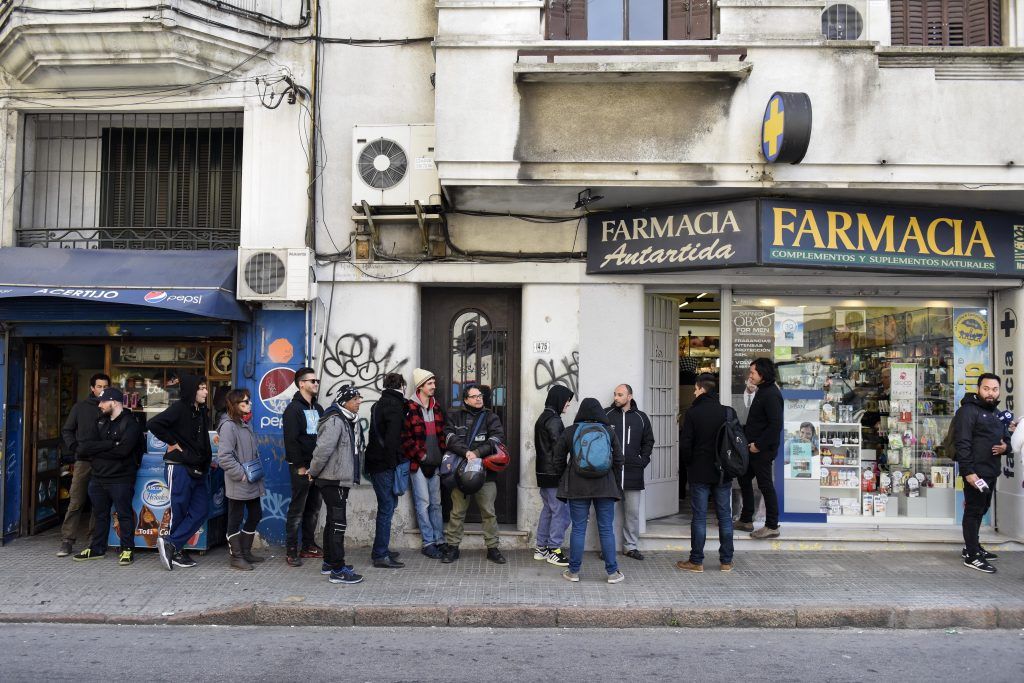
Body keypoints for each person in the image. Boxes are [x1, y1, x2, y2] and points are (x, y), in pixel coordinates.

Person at [553, 397, 625, 584]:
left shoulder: (570, 431)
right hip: (605, 487)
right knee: (606, 529)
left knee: (578, 528)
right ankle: (612, 573)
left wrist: (565, 475)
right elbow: (619, 460)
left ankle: (574, 572)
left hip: (578, 487)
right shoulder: (608, 432)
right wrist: (615, 482)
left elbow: (557, 458)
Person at [149, 374, 213, 571]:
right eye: (201, 388)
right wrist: (173, 443)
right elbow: (153, 424)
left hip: (199, 468)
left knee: (202, 509)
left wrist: (208, 461)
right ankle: (176, 551)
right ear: (192, 389)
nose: (205, 392)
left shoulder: (200, 411)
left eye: (205, 388)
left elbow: (200, 441)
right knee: (180, 510)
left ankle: (171, 543)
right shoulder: (179, 408)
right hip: (179, 467)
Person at [72, 388, 142, 566]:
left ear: (115, 402)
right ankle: (97, 548)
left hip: (121, 478)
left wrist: (99, 451)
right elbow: (85, 447)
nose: (100, 405)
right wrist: (111, 444)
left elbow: (123, 451)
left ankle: (127, 549)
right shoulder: (100, 421)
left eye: (103, 401)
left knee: (124, 514)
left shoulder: (130, 423)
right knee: (100, 514)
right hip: (98, 478)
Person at [676, 374, 734, 572]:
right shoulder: (727, 412)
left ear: (702, 389)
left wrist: (689, 465)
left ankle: (696, 561)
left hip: (699, 472)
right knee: (725, 516)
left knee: (699, 517)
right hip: (723, 472)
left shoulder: (693, 413)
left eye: (695, 388)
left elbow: (685, 445)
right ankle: (726, 561)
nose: (693, 392)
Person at [443, 384, 507, 564]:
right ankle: (453, 548)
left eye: (480, 396)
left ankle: (493, 549)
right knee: (457, 512)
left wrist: (477, 453)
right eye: (474, 396)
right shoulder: (454, 416)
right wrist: (466, 452)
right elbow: (449, 437)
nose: (479, 399)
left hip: (486, 474)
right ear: (465, 400)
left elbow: (496, 439)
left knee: (489, 512)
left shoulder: (491, 417)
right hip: (459, 473)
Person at [309, 384, 365, 585]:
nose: (359, 401)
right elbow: (322, 450)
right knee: (338, 523)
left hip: (338, 479)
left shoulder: (346, 420)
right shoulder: (335, 421)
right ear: (345, 401)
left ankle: (329, 563)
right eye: (356, 398)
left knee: (334, 521)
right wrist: (312, 471)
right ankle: (338, 570)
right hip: (333, 480)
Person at [954, 373, 1009, 573]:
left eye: (994, 389)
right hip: (975, 473)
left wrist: (1006, 448)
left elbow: (1006, 439)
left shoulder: (996, 412)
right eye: (986, 388)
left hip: (991, 471)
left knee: (982, 509)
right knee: (973, 511)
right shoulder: (968, 411)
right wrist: (968, 472)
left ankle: (973, 545)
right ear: (978, 389)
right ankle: (971, 555)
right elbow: (963, 443)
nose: (990, 393)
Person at [58, 372, 109, 557]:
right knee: (76, 500)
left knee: (99, 503)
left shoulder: (110, 407)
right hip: (83, 461)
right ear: (92, 388)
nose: (102, 390)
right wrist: (75, 448)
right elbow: (67, 430)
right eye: (99, 387)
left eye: (105, 387)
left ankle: (94, 540)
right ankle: (67, 540)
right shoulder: (80, 407)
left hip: (104, 461)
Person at [217, 389, 265, 571]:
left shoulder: (245, 423)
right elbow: (225, 457)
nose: (249, 403)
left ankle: (245, 551)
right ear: (235, 405)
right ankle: (236, 557)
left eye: (249, 400)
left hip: (252, 479)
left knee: (255, 514)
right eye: (245, 401)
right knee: (235, 518)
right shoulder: (229, 426)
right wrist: (241, 475)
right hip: (240, 481)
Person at [401, 368, 447, 559]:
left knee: (436, 503)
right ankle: (428, 542)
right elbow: (405, 438)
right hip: (418, 464)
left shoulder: (436, 407)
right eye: (430, 383)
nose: (434, 386)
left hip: (436, 463)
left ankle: (440, 540)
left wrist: (443, 456)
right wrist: (421, 456)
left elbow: (441, 434)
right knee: (423, 503)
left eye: (434, 383)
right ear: (420, 386)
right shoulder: (410, 408)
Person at [282, 366, 325, 567]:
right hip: (301, 468)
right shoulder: (293, 410)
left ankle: (308, 545)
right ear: (301, 384)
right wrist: (299, 466)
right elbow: (290, 441)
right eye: (312, 381)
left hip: (317, 467)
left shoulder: (318, 409)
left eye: (316, 381)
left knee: (314, 508)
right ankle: (291, 550)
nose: (316, 384)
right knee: (297, 509)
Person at [363, 372, 407, 569]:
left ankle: (381, 549)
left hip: (375, 463)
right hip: (384, 465)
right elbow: (391, 440)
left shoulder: (378, 404)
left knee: (387, 506)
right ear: (402, 386)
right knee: (387, 508)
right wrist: (393, 464)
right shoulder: (395, 406)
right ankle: (380, 554)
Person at [737, 358, 784, 539]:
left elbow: (775, 425)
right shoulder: (763, 391)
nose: (750, 376)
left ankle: (772, 525)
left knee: (765, 486)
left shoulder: (771, 394)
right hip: (752, 447)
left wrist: (758, 445)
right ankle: (746, 519)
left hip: (761, 450)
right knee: (743, 478)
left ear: (762, 374)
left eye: (752, 373)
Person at [606, 384, 654, 560]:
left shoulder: (641, 418)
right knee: (606, 513)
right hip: (610, 474)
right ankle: (607, 548)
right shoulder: (606, 415)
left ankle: (630, 547)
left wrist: (643, 460)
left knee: (632, 513)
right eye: (615, 394)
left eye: (620, 394)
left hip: (634, 473)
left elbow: (649, 441)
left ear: (630, 396)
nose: (616, 398)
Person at [534, 384, 574, 567]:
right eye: (567, 401)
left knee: (548, 510)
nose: (568, 405)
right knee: (561, 513)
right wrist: (564, 473)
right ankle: (554, 550)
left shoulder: (543, 418)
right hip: (554, 473)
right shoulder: (554, 420)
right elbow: (559, 450)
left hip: (543, 472)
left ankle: (541, 548)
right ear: (559, 399)